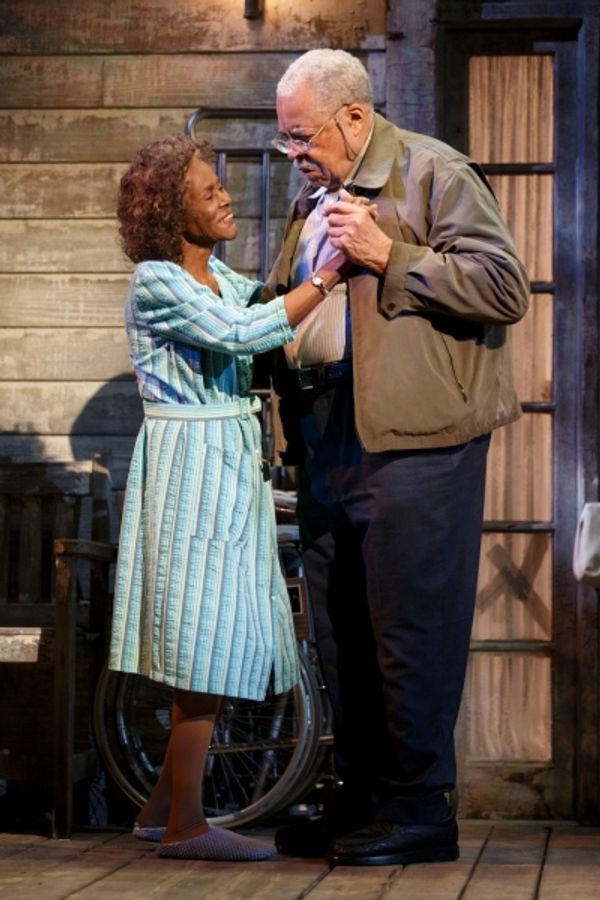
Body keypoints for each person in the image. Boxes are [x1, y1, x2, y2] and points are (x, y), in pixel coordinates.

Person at [266, 49, 530, 866]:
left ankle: (422, 809)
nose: (296, 154)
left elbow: (504, 288)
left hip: (419, 441)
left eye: (302, 136)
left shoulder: (432, 171)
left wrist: (391, 257)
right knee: (343, 629)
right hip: (329, 432)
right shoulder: (314, 193)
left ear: (353, 117)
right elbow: (289, 299)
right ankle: (364, 796)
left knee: (409, 629)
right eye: (286, 142)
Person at [108, 133, 351, 861]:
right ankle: (187, 826)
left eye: (220, 185)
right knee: (199, 641)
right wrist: (330, 278)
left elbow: (267, 305)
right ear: (167, 209)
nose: (224, 195)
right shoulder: (159, 282)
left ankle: (159, 811)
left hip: (227, 462)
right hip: (190, 466)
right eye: (207, 188)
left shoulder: (218, 275)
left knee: (208, 634)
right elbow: (246, 334)